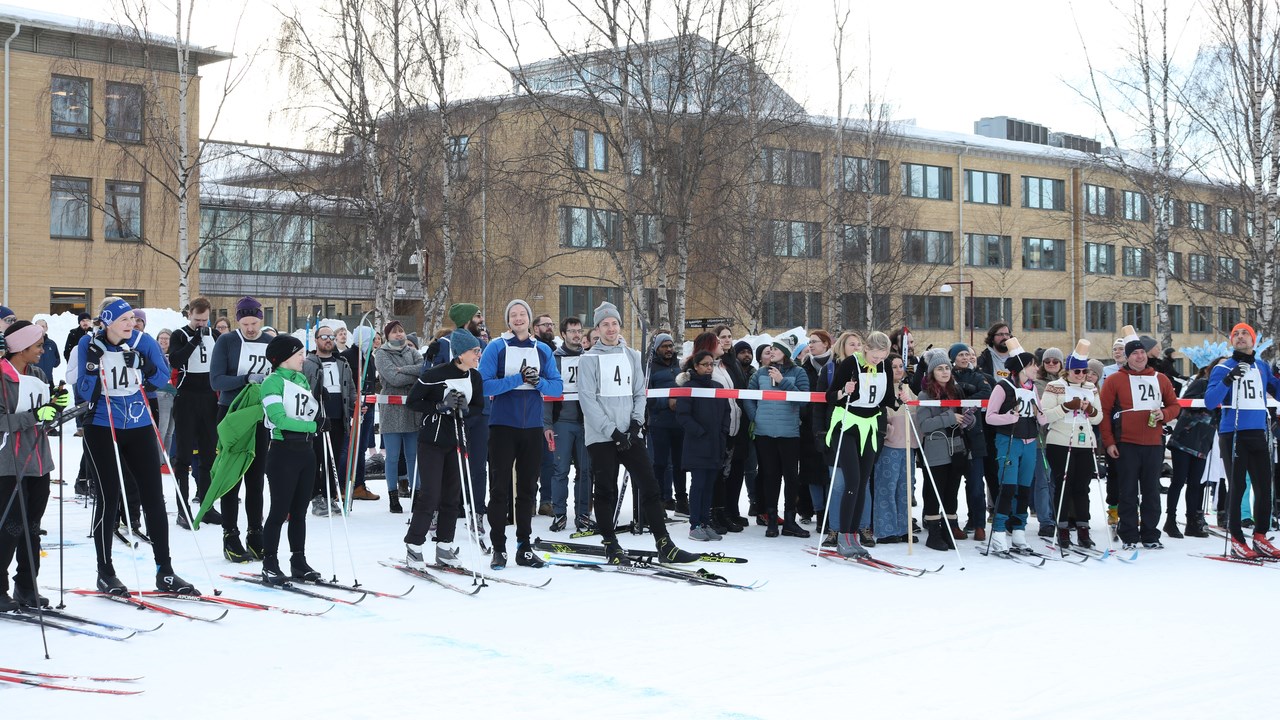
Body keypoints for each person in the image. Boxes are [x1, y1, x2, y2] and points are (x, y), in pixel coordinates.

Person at [77, 298, 197, 595]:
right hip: (103, 425)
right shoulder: (88, 343)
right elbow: (82, 391)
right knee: (108, 497)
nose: (131, 324)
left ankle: (165, 571)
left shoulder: (144, 343)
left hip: (140, 424)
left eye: (132, 318)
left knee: (153, 497)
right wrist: (93, 364)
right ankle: (105, 572)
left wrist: (142, 366)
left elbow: (163, 380)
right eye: (124, 320)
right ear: (107, 323)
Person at [577, 301, 698, 565]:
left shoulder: (631, 355)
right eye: (605, 324)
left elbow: (639, 393)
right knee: (605, 490)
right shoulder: (588, 359)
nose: (611, 328)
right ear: (597, 328)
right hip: (602, 437)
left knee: (650, 487)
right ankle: (611, 545)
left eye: (615, 323)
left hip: (630, 434)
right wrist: (612, 431)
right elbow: (588, 401)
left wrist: (634, 425)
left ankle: (664, 543)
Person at [479, 299, 563, 569]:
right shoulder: (496, 347)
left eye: (522, 314)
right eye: (513, 315)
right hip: (503, 426)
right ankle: (498, 547)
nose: (518, 318)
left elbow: (556, 388)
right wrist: (519, 379)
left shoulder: (542, 349)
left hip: (532, 429)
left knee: (528, 490)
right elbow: (484, 385)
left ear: (529, 319)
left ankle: (524, 546)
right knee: (499, 489)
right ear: (508, 320)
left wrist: (538, 382)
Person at [402, 328, 485, 569]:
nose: (478, 355)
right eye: (474, 351)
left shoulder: (475, 377)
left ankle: (445, 547)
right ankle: (414, 547)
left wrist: (466, 409)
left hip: (457, 441)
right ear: (460, 354)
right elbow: (413, 402)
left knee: (452, 496)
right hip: (432, 441)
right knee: (430, 495)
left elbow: (479, 405)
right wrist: (440, 406)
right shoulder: (435, 374)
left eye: (479, 350)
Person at [1203, 322, 1280, 558]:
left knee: (1264, 486)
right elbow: (1209, 401)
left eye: (1245, 333)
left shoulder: (1261, 366)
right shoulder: (1223, 367)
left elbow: (1277, 391)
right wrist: (1229, 379)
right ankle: (1237, 538)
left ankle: (1260, 536)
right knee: (1238, 487)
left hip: (1258, 432)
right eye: (1235, 334)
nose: (1240, 337)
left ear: (1253, 340)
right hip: (1233, 432)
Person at [1099, 329, 1181, 551]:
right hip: (1126, 442)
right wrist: (1109, 442)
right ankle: (1129, 535)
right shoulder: (1115, 380)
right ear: (1127, 357)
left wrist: (1164, 415)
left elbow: (1175, 406)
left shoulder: (1160, 378)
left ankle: (1151, 534)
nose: (1139, 356)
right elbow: (1104, 412)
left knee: (1152, 491)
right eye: (1134, 353)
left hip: (1153, 443)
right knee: (1127, 491)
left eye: (1142, 352)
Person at [0, 321, 61, 609]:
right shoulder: (1, 377)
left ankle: (26, 585)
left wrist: (57, 408)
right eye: (37, 346)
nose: (42, 350)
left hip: (39, 461)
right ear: (21, 349)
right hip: (9, 464)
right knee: (10, 528)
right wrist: (34, 415)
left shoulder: (37, 373)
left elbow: (45, 416)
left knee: (32, 529)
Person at [210, 296, 273, 563]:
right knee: (232, 476)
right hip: (232, 414)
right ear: (238, 321)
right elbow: (216, 380)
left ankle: (255, 532)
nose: (250, 328)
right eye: (246, 323)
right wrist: (245, 378)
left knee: (256, 478)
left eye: (255, 322)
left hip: (260, 416)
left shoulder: (270, 342)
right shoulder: (227, 341)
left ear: (262, 319)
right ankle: (230, 533)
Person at [824, 330, 896, 557]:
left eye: (882, 357)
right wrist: (843, 391)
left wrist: (900, 397)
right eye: (875, 356)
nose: (878, 361)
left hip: (870, 427)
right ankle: (843, 536)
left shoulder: (884, 367)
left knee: (863, 481)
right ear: (866, 348)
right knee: (852, 480)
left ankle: (852, 536)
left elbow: (886, 400)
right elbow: (828, 395)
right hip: (847, 425)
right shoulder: (849, 364)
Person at [258, 335, 322, 584]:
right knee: (279, 512)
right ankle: (269, 563)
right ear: (284, 357)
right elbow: (279, 419)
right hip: (283, 452)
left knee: (299, 512)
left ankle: (298, 561)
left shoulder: (301, 379)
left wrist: (318, 420)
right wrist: (313, 426)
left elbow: (307, 412)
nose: (303, 358)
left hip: (306, 452)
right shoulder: (271, 382)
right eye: (298, 354)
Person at [984, 338, 1046, 553]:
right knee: (1008, 488)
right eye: (1032, 365)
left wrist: (1043, 415)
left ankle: (1019, 531)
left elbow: (1041, 417)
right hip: (1009, 441)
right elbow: (990, 417)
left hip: (1030, 442)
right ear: (1022, 368)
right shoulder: (1003, 387)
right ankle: (999, 532)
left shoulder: (1032, 388)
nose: (1036, 368)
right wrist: (1008, 417)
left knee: (1024, 489)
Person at [745, 335, 811, 538]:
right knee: (770, 476)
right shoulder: (760, 374)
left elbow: (804, 400)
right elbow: (749, 397)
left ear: (785, 353)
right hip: (764, 433)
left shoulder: (798, 372)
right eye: (770, 348)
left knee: (791, 477)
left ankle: (790, 520)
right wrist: (756, 416)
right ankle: (772, 519)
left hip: (789, 433)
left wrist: (783, 383)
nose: (771, 351)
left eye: (776, 348)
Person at [433, 303, 490, 528]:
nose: (481, 319)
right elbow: (433, 377)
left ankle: (477, 512)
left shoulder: (484, 345)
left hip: (478, 412)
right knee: (448, 465)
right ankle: (444, 509)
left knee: (477, 467)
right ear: (467, 319)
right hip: (451, 414)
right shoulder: (442, 345)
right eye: (477, 316)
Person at [1041, 341, 1103, 549]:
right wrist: (1066, 407)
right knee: (1064, 485)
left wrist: (1090, 411)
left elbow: (1098, 417)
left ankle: (1084, 530)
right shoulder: (1055, 386)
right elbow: (1044, 416)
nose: (1081, 374)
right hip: (1060, 442)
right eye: (1077, 371)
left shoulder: (1091, 388)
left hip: (1084, 443)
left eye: (1084, 371)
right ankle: (1063, 529)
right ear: (1067, 371)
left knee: (1082, 487)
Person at [168, 297, 222, 530]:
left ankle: (207, 505)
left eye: (204, 320)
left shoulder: (215, 335)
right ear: (189, 315)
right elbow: (175, 360)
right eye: (197, 319)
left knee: (209, 454)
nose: (201, 323)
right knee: (184, 455)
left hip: (209, 398)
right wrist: (194, 340)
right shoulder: (179, 334)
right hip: (186, 398)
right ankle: (183, 509)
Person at [915, 353, 968, 551]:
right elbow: (925, 425)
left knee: (952, 492)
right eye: (939, 369)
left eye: (947, 368)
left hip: (957, 447)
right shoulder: (925, 395)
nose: (944, 372)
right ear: (931, 373)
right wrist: (949, 417)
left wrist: (966, 420)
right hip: (936, 448)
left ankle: (948, 530)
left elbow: (961, 417)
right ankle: (934, 533)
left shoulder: (957, 391)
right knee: (934, 491)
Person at [303, 323, 359, 514]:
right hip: (317, 418)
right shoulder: (308, 363)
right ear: (316, 340)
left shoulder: (341, 363)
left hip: (338, 417)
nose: (328, 341)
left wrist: (356, 405)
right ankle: (316, 497)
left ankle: (329, 495)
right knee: (316, 458)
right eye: (324, 337)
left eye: (331, 337)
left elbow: (350, 389)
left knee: (332, 459)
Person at [544, 316, 593, 532]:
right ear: (563, 334)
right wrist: (547, 425)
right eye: (572, 331)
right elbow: (546, 392)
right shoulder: (554, 359)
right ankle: (559, 514)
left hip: (586, 423)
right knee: (560, 470)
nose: (576, 335)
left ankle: (582, 514)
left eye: (579, 331)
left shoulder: (590, 358)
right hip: (561, 422)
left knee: (585, 471)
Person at [675, 350, 730, 541]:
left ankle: (705, 522)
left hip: (716, 444)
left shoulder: (718, 386)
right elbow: (683, 415)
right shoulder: (688, 387)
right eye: (705, 364)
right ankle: (695, 524)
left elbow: (726, 412)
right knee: (698, 485)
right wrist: (700, 432)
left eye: (711, 364)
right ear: (696, 366)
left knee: (709, 486)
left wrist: (723, 432)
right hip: (697, 444)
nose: (709, 368)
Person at [1167, 358, 1219, 539]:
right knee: (1179, 481)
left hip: (1203, 442)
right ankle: (1170, 520)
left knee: (1196, 484)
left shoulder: (1225, 391)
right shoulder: (1201, 383)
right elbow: (1185, 402)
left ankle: (1191, 522)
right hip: (1185, 439)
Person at [374, 320, 422, 514]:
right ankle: (393, 496)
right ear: (387, 336)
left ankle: (416, 494)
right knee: (392, 457)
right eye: (395, 332)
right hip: (391, 411)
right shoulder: (382, 354)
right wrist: (408, 374)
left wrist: (402, 370)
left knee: (413, 456)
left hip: (412, 411)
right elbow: (393, 378)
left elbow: (423, 369)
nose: (399, 335)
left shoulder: (412, 352)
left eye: (401, 331)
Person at [950, 342, 994, 538]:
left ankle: (978, 524)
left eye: (967, 354)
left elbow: (986, 393)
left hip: (976, 435)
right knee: (951, 483)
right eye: (960, 355)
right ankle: (950, 523)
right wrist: (962, 394)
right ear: (953, 357)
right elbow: (948, 395)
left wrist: (966, 394)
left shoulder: (978, 376)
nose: (965, 358)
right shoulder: (947, 375)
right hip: (953, 435)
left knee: (976, 483)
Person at [872, 356, 915, 544]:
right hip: (890, 445)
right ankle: (885, 529)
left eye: (900, 366)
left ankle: (904, 527)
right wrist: (888, 430)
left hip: (908, 444)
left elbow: (914, 411)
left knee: (905, 487)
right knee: (886, 487)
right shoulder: (882, 388)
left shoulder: (907, 389)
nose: (898, 370)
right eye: (893, 367)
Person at [647, 332, 686, 516]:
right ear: (657, 349)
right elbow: (646, 397)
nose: (669, 349)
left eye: (671, 346)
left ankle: (681, 500)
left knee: (680, 464)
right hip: (659, 422)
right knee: (660, 464)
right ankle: (659, 501)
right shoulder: (650, 369)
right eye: (665, 346)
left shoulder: (679, 367)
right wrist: (667, 402)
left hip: (679, 423)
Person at [340, 326, 380, 503]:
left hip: (368, 407)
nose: (374, 343)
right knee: (349, 448)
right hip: (353, 407)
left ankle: (359, 485)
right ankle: (342, 485)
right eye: (371, 339)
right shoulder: (347, 356)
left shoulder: (370, 357)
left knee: (361, 447)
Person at [533, 314, 559, 516]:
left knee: (549, 460)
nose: (550, 327)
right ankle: (529, 499)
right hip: (531, 409)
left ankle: (547, 500)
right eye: (545, 325)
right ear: (535, 328)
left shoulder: (554, 351)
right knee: (531, 459)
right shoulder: (533, 349)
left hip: (551, 410)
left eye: (551, 324)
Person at [31, 319, 60, 393]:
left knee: (50, 403)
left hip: (49, 380)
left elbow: (57, 361)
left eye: (43, 326)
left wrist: (49, 363)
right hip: (34, 380)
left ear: (46, 328)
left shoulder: (52, 344)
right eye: (38, 326)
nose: (41, 329)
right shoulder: (30, 343)